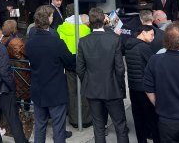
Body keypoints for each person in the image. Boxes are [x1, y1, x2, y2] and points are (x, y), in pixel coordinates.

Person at [77, 8, 129, 143]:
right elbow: (120, 68)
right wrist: (120, 86)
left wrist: (88, 82)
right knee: (120, 126)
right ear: (104, 21)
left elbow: (80, 69)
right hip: (112, 88)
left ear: (90, 23)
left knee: (98, 127)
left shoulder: (83, 41)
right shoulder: (114, 39)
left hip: (93, 89)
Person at [26, 8, 76, 143]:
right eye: (52, 15)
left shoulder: (30, 43)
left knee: (40, 127)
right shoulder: (56, 42)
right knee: (58, 129)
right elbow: (71, 62)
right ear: (48, 18)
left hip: (38, 90)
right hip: (55, 92)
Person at [124, 25, 159, 143]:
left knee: (138, 118)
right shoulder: (143, 47)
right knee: (152, 118)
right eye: (151, 35)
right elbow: (154, 65)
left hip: (133, 87)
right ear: (143, 32)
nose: (153, 38)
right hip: (145, 89)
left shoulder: (128, 45)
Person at [57, 13, 93, 128]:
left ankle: (74, 119)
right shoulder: (85, 29)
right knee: (84, 91)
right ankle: (86, 119)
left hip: (67, 65)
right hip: (82, 64)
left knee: (71, 92)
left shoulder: (61, 28)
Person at [1, 20, 30, 104]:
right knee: (24, 88)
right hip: (21, 67)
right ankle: (26, 109)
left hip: (10, 66)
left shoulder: (2, 39)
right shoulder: (16, 41)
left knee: (16, 88)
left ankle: (18, 107)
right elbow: (25, 53)